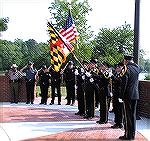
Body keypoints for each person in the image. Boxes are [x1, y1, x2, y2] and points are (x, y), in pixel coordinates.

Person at [119, 55, 140, 140]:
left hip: (128, 95)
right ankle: (132, 134)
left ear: (125, 61)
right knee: (133, 116)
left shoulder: (125, 68)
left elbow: (124, 83)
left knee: (127, 116)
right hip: (135, 94)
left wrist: (121, 95)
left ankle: (128, 135)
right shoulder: (137, 68)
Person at [111, 63, 123, 129]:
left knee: (120, 109)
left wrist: (112, 77)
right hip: (115, 93)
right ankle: (116, 122)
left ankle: (120, 123)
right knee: (115, 108)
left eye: (118, 67)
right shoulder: (116, 74)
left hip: (119, 94)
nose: (116, 68)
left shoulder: (122, 74)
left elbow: (119, 81)